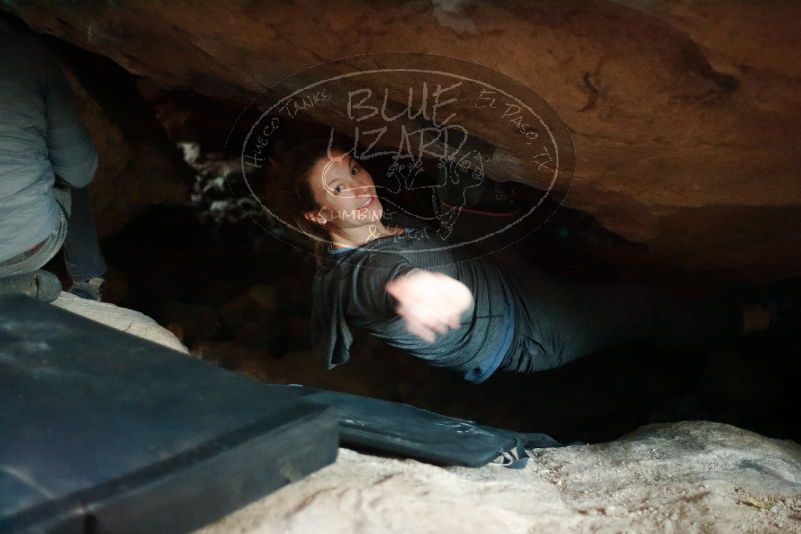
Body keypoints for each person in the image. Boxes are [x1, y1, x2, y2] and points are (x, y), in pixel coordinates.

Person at [271, 135, 783, 383]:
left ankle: (569, 233)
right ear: (317, 216)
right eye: (338, 188)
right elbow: (392, 282)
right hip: (526, 328)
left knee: (463, 171)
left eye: (355, 170)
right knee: (643, 309)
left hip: (487, 268)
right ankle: (754, 320)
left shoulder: (374, 221)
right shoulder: (362, 277)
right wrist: (418, 295)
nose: (360, 186)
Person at [0, 24, 107, 301]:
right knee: (71, 167)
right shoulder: (30, 53)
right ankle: (87, 279)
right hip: (25, 249)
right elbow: (80, 171)